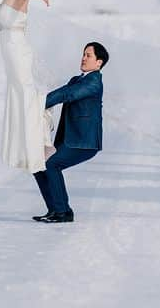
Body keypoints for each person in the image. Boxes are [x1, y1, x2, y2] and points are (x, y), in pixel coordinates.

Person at [32, 41, 107, 224]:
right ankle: (55, 209)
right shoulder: (77, 80)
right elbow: (65, 90)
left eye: (88, 55)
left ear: (99, 62)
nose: (83, 58)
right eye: (83, 54)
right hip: (70, 139)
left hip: (84, 142)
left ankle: (63, 212)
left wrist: (38, 104)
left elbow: (68, 95)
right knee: (39, 166)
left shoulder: (94, 82)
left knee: (52, 165)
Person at [0, 0, 53, 173]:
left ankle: (43, 140)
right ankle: (24, 148)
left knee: (25, 92)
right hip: (9, 48)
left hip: (17, 47)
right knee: (17, 92)